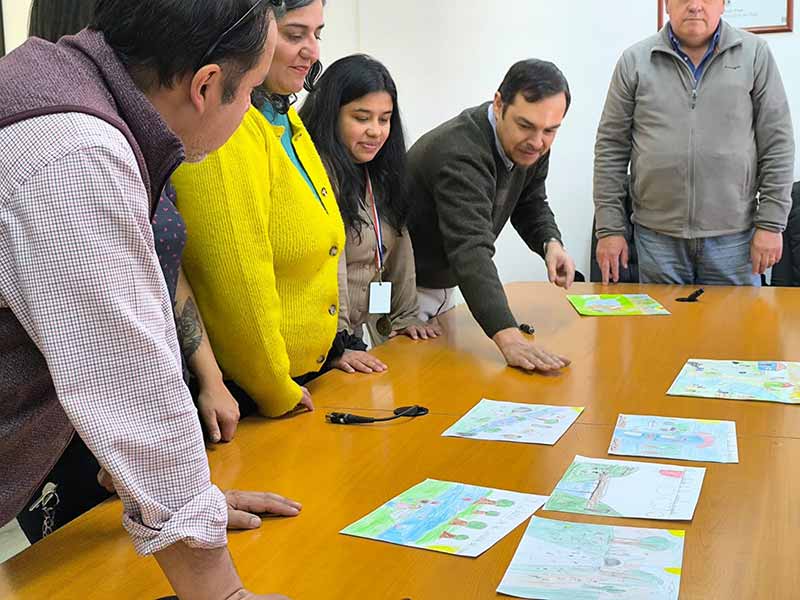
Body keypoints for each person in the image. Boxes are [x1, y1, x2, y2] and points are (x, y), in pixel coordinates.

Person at [0, 1, 301, 598]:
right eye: (252, 95)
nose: (251, 113)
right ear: (207, 84)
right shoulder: (76, 153)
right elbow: (123, 373)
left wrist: (182, 500)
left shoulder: (58, 82)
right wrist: (218, 586)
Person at [173, 0, 369, 416]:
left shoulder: (284, 116)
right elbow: (237, 279)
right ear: (253, 35)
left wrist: (332, 348)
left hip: (301, 381)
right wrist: (276, 389)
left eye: (318, 34)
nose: (312, 50)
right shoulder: (226, 125)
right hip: (256, 397)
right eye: (295, 34)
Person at [594, 0, 795, 287]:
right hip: (657, 239)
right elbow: (610, 149)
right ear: (666, 4)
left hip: (735, 241)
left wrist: (771, 224)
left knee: (736, 330)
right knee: (661, 332)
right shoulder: (635, 61)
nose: (695, 6)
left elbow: (778, 144)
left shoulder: (755, 55)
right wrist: (609, 228)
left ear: (724, 4)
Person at [406, 59, 576, 373]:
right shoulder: (460, 153)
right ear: (499, 105)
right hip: (403, 290)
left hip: (444, 283)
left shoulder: (530, 145)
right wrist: (508, 336)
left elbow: (530, 201)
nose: (538, 141)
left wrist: (550, 243)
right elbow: (471, 249)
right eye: (525, 125)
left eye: (550, 130)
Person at [300, 54, 441, 366]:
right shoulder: (315, 172)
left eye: (384, 118)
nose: (376, 131)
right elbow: (328, 261)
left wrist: (406, 317)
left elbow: (399, 243)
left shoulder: (378, 171)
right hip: (322, 347)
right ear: (331, 115)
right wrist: (336, 347)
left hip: (353, 340)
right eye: (361, 118)